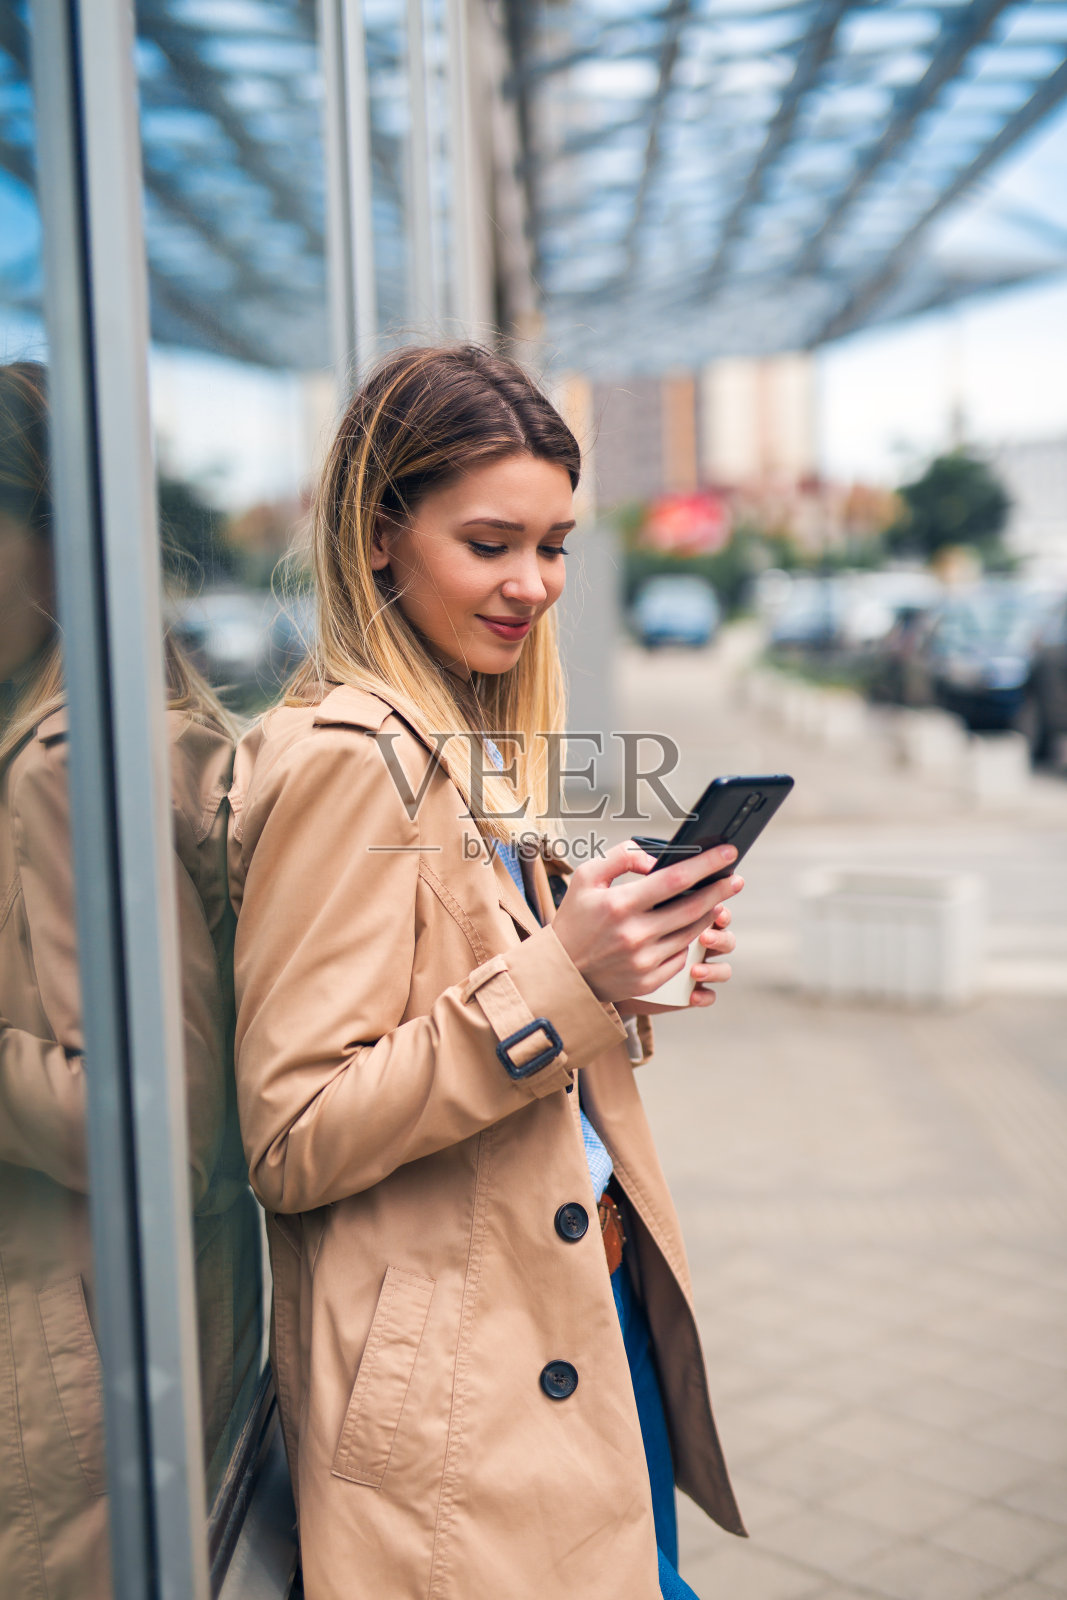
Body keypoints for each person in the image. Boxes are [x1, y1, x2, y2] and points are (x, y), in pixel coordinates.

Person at [228, 343, 746, 1600]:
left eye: (554, 544)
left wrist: (616, 968)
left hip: (565, 1321)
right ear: (377, 541)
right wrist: (566, 982)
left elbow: (469, 1013)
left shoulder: (458, 734)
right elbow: (292, 1132)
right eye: (490, 542)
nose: (533, 583)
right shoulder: (350, 756)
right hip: (469, 1392)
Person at [0, 362, 261, 1598]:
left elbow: (151, 1127)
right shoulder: (79, 725)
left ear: (58, 544)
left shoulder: (66, 762)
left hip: (80, 1366)